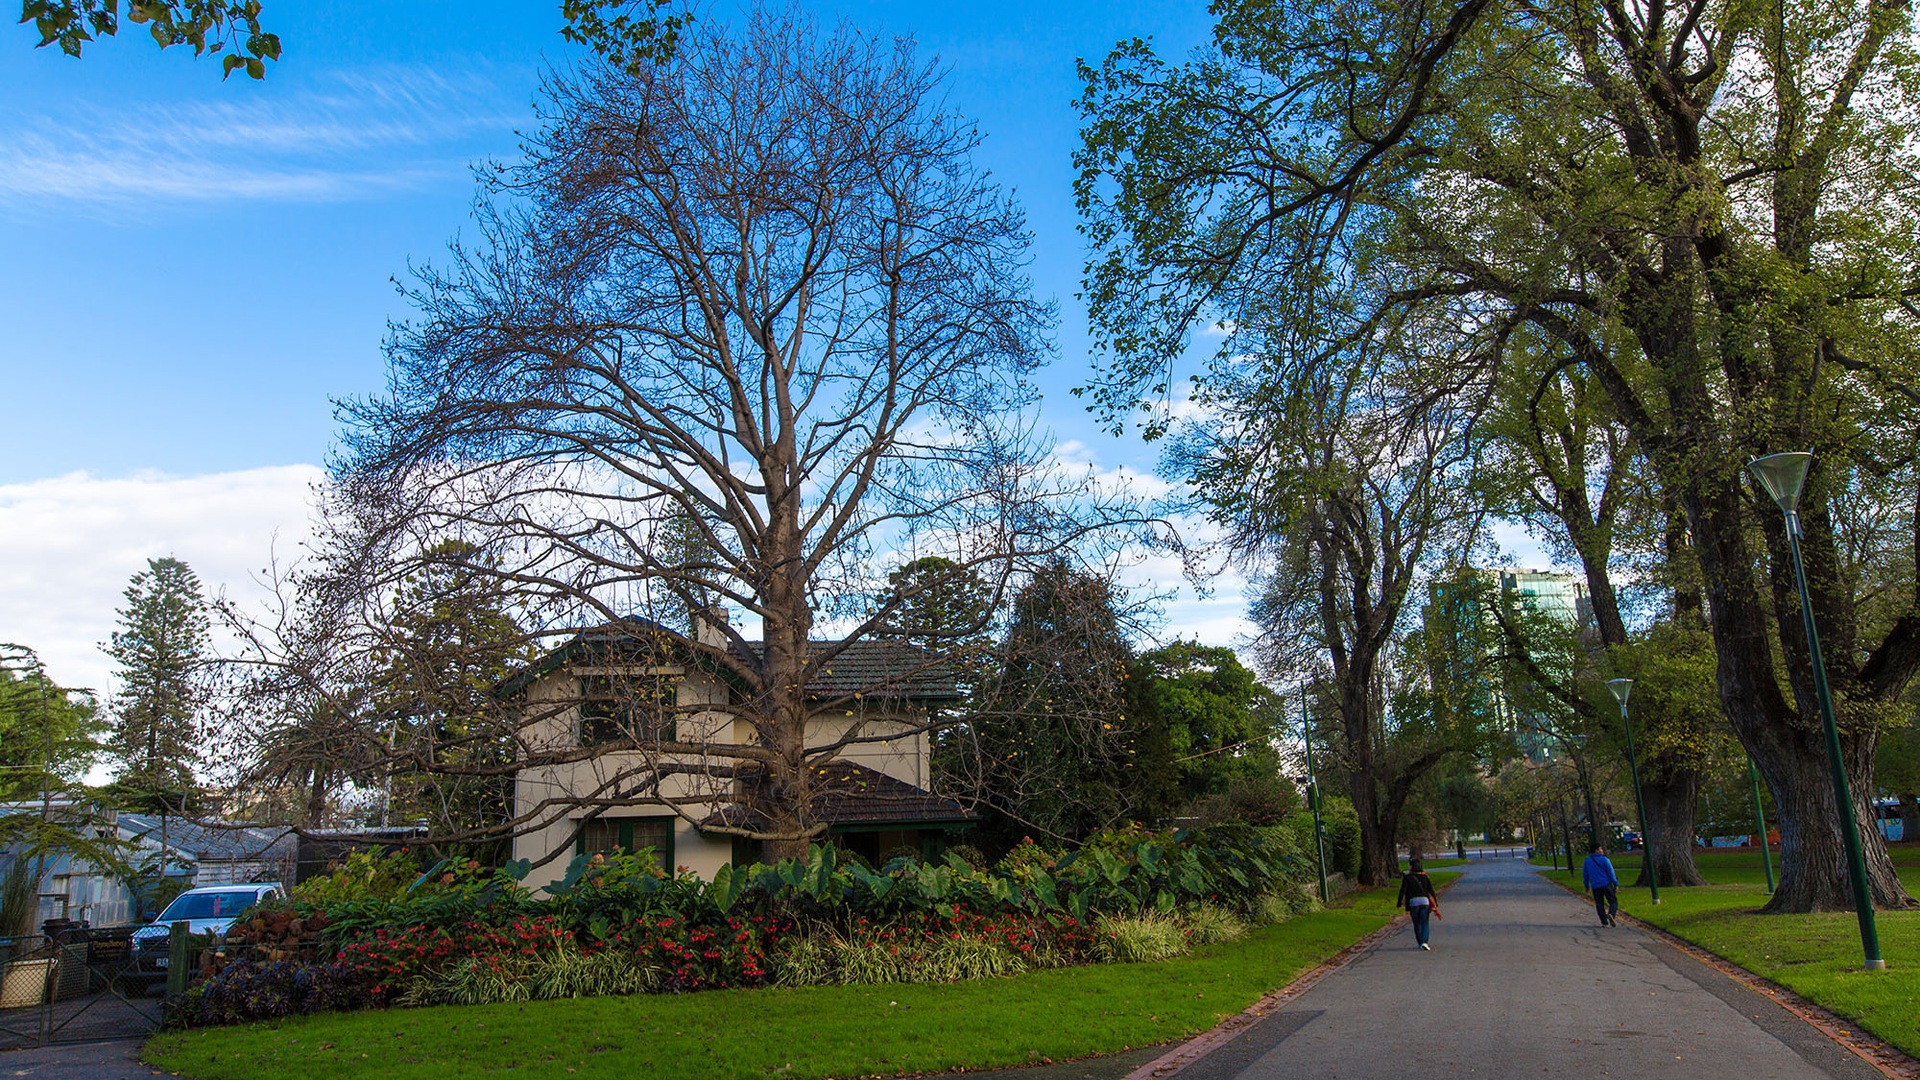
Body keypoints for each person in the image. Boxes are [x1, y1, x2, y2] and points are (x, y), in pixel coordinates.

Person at [1397, 856, 1440, 950]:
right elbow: (1431, 891)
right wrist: (1435, 903)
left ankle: (1420, 942)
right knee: (1425, 922)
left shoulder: (1407, 878)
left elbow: (1403, 890)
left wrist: (1399, 902)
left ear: (1411, 867)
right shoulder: (1425, 877)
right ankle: (1425, 942)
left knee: (1417, 923)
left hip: (1413, 902)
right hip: (1425, 901)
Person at [1583, 842, 1620, 926]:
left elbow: (1585, 875)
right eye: (1600, 849)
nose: (1602, 850)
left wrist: (1586, 886)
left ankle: (1604, 922)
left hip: (1595, 886)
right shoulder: (1605, 860)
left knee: (1599, 904)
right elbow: (1611, 873)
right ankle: (1611, 914)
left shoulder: (1587, 862)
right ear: (1596, 850)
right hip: (1606, 884)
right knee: (1613, 901)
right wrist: (1616, 883)